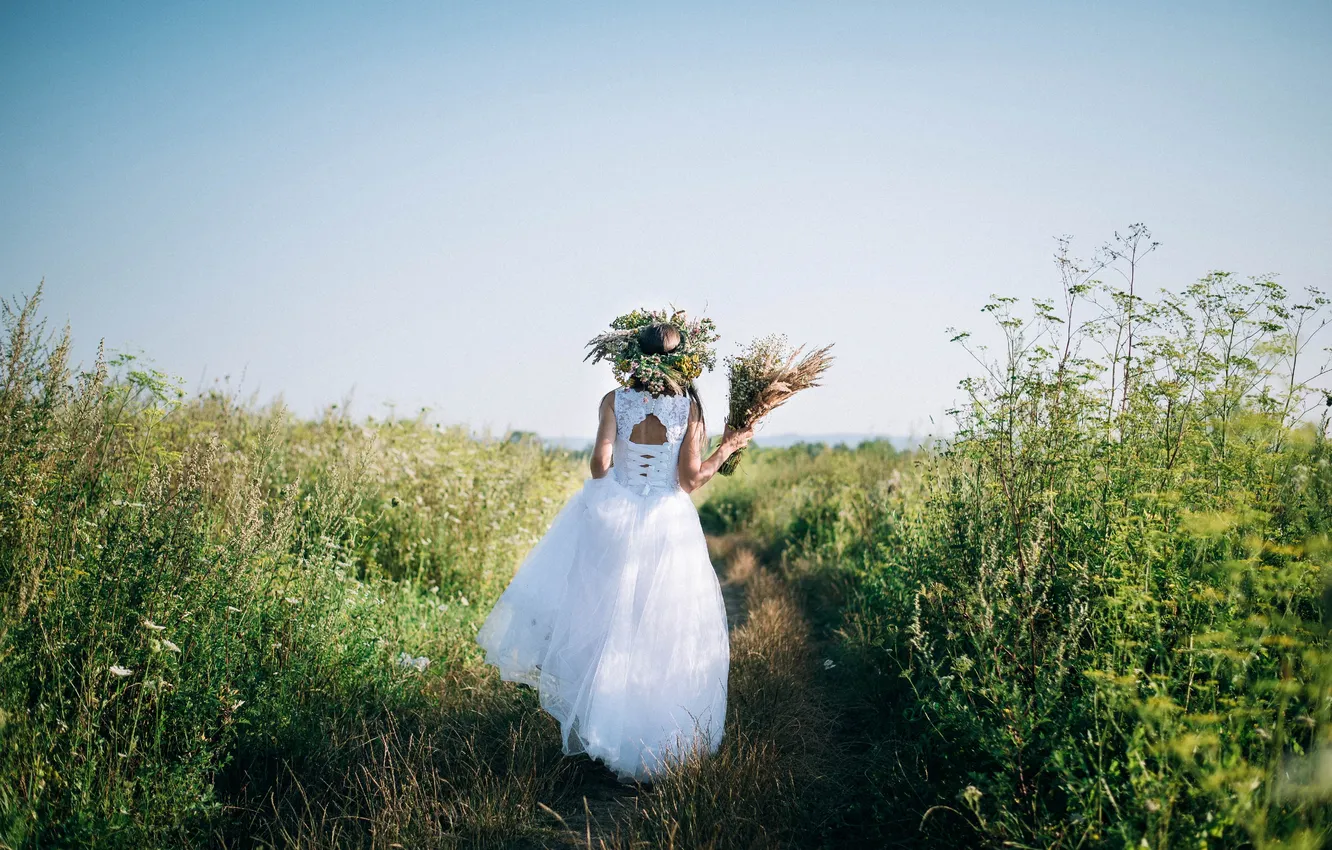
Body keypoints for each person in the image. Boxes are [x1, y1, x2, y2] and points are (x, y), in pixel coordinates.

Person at [476, 311, 755, 782]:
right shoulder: (687, 407)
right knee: (661, 630)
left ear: (634, 354)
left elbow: (600, 466)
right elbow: (688, 480)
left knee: (606, 625)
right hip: (667, 524)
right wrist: (728, 446)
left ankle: (602, 732)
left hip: (614, 519)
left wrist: (620, 477)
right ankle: (653, 742)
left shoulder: (613, 399)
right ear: (684, 360)